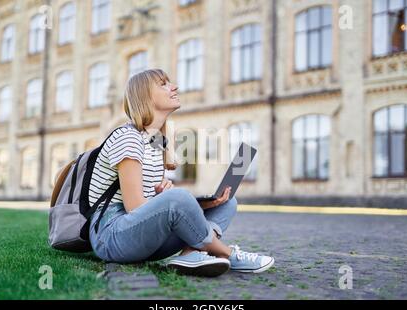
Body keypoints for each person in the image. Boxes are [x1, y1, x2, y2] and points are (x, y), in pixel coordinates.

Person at [88, 69, 274, 277]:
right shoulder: (128, 137)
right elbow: (134, 207)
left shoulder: (157, 142)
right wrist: (172, 199)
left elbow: (151, 201)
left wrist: (195, 203)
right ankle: (228, 254)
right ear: (145, 96)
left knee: (227, 202)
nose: (174, 87)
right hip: (112, 237)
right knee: (179, 197)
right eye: (163, 84)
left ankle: (190, 254)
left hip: (143, 238)